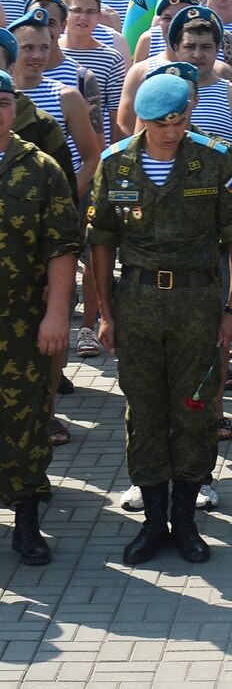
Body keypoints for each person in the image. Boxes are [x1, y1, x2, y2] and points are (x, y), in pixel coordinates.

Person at [86, 74, 232, 566]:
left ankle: (185, 520)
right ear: (143, 118)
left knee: (195, 407)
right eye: (162, 123)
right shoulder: (116, 164)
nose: (171, 132)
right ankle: (153, 520)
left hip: (197, 301)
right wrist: (104, 313)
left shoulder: (213, 159)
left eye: (179, 121)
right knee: (144, 408)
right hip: (136, 299)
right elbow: (101, 240)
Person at [0, 70, 80, 565]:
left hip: (21, 320)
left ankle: (26, 520)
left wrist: (56, 314)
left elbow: (62, 245)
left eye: (4, 102)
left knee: (25, 418)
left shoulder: (41, 167)